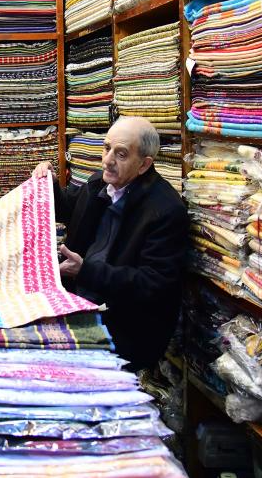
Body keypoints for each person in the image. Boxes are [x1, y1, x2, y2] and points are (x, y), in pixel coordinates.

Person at [34, 116, 188, 370]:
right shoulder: (100, 183)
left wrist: (86, 271)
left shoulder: (165, 211)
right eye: (106, 148)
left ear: (144, 164)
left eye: (121, 154)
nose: (107, 160)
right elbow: (71, 208)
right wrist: (47, 185)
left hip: (125, 326)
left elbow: (153, 284)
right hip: (78, 303)